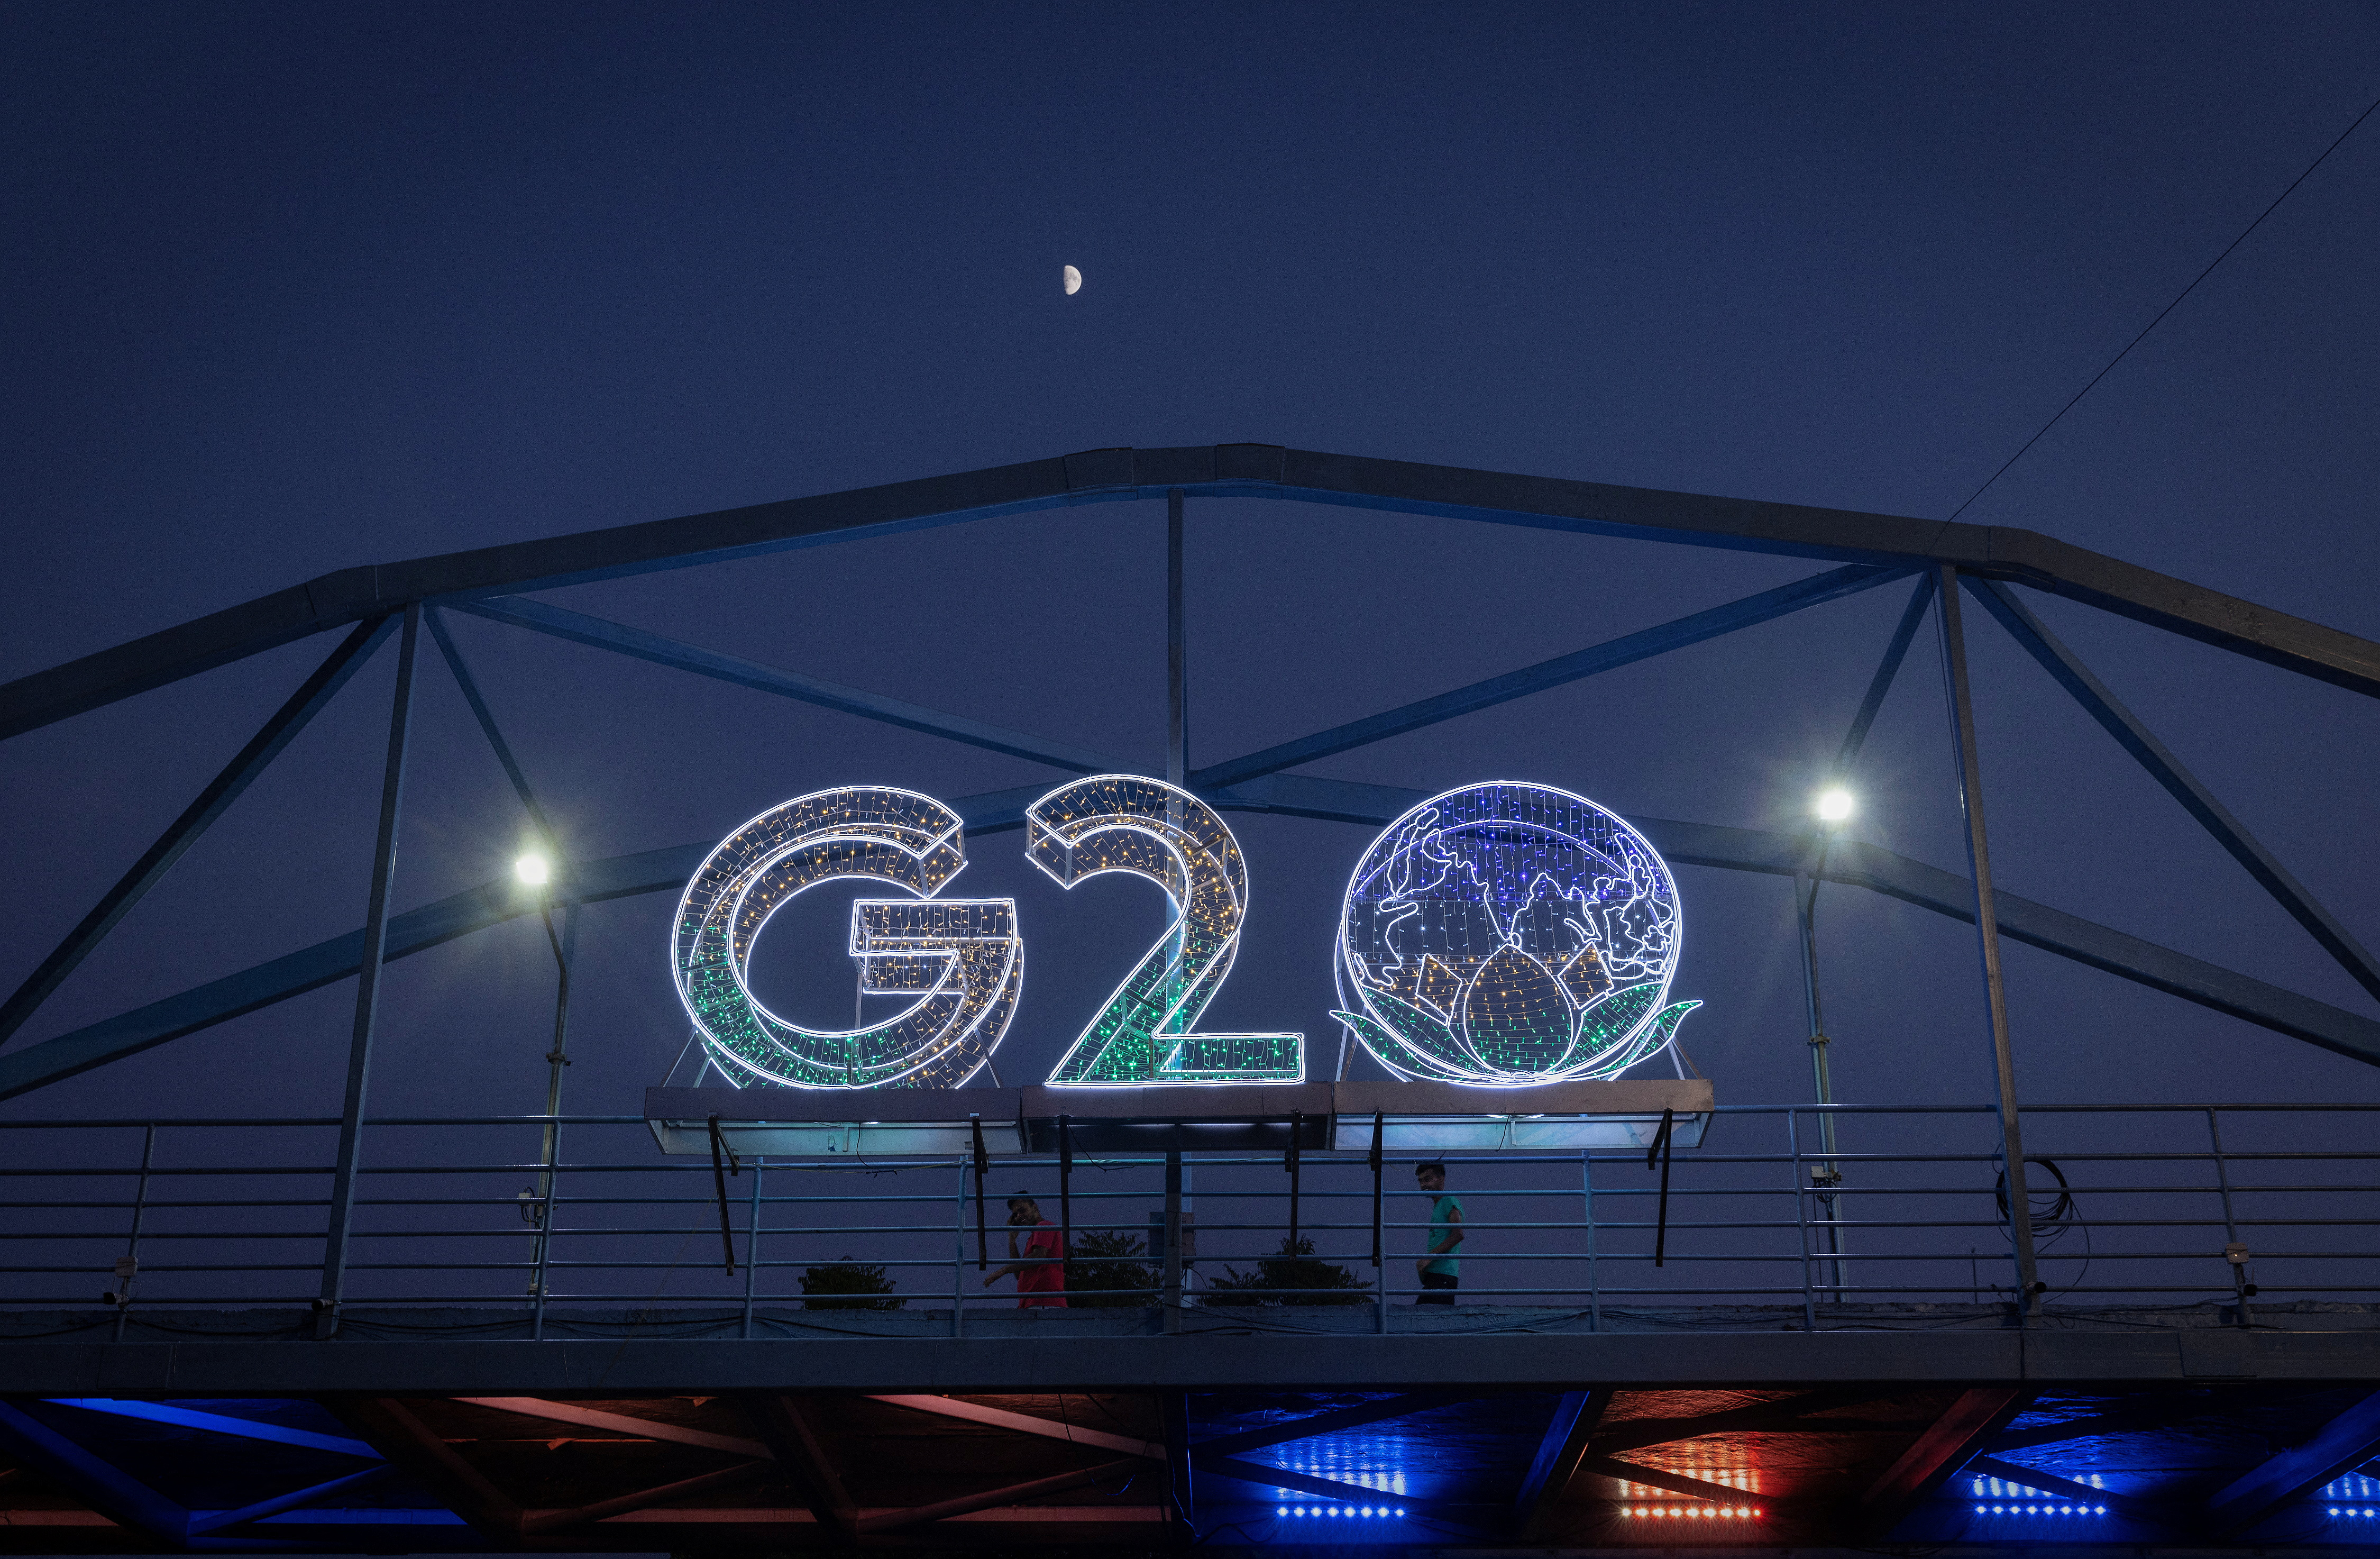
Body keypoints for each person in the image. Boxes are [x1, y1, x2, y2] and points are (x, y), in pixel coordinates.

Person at [983, 1192, 1068, 1308]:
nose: (1019, 1216)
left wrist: (1002, 1271)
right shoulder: (1033, 1237)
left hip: (1045, 1302)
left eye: (1022, 1211)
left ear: (1035, 1208)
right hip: (1034, 1303)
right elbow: (1019, 1274)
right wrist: (1012, 1240)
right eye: (1015, 1214)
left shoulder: (1045, 1226)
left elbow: (1038, 1257)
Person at [1415, 1162, 1463, 1304]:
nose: (1423, 1185)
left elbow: (1458, 1235)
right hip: (1435, 1277)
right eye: (1420, 1181)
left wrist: (1428, 1258)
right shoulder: (1438, 1206)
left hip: (1444, 1276)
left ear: (1441, 1179)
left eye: (1428, 1179)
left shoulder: (1449, 1201)